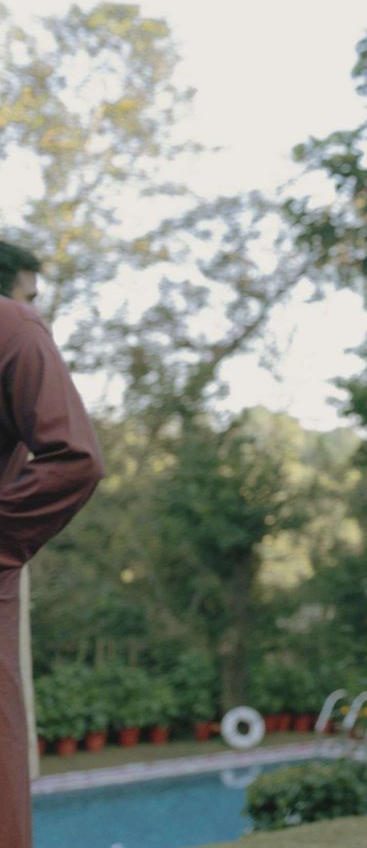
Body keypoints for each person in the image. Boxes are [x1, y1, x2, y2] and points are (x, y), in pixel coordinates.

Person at [1, 240, 103, 848]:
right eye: (31, 295)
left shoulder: (14, 328)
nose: (36, 309)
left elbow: (73, 459)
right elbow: (77, 459)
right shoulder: (15, 325)